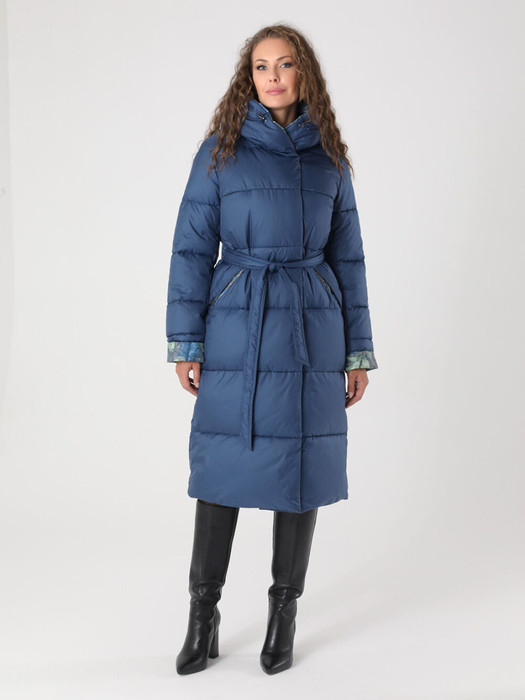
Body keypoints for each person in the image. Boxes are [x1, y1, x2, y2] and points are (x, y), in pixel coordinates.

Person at [165, 24, 378, 675]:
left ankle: (283, 615)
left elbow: (348, 258)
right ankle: (203, 615)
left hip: (312, 325)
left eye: (285, 65)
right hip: (238, 319)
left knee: (300, 469)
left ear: (303, 73)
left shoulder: (329, 159)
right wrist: (187, 340)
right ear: (248, 78)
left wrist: (358, 352)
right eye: (261, 67)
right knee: (221, 466)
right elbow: (191, 247)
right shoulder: (220, 151)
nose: (274, 76)